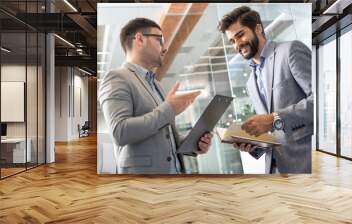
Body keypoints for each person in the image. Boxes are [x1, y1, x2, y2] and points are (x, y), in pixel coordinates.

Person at [99, 18, 213, 174]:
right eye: (160, 39)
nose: (164, 48)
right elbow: (120, 132)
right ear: (139, 39)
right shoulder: (117, 78)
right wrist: (169, 109)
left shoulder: (156, 84)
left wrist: (193, 143)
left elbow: (167, 139)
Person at [218, 6, 313, 173]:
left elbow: (323, 102)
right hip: (275, 172)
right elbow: (273, 134)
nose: (237, 44)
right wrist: (253, 146)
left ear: (258, 28)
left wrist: (274, 118)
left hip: (304, 163)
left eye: (240, 35)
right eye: (232, 41)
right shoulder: (250, 82)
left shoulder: (290, 51)